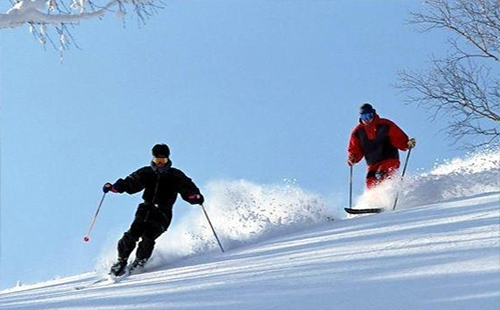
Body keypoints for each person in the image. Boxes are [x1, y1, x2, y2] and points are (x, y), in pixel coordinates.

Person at [103, 143, 204, 276]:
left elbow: (188, 189)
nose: (160, 163)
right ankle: (121, 261)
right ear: (153, 159)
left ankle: (140, 261)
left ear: (168, 159)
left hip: (163, 213)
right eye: (157, 160)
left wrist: (195, 196)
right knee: (132, 234)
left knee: (148, 238)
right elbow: (130, 183)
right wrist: (114, 187)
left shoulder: (175, 175)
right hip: (146, 209)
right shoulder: (146, 173)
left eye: (163, 160)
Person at [347, 103, 416, 189]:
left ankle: (391, 192)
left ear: (373, 114)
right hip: (373, 163)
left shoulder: (385, 125)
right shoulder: (358, 132)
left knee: (382, 174)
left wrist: (406, 143)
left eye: (369, 116)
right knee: (370, 180)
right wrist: (353, 157)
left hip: (389, 158)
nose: (367, 119)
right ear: (360, 117)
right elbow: (355, 148)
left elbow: (398, 137)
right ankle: (375, 200)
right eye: (364, 117)